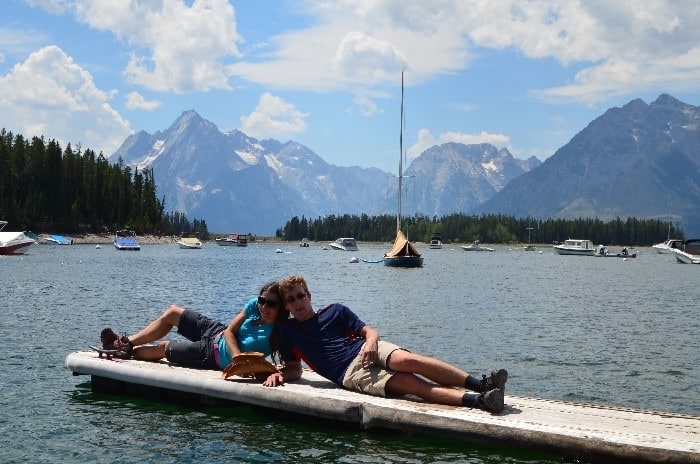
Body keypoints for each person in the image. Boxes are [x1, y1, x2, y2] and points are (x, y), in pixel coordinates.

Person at [262, 275, 508, 413]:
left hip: (365, 348)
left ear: (309, 296)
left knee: (410, 361)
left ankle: (482, 384)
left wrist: (370, 342)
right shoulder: (289, 331)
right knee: (410, 383)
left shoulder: (335, 311)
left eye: (301, 296)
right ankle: (480, 401)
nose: (298, 303)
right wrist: (277, 374)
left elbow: (369, 330)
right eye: (291, 300)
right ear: (286, 306)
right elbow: (294, 368)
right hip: (349, 373)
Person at [100, 281, 289, 370]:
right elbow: (230, 331)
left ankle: (128, 351)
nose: (264, 306)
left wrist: (267, 371)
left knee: (165, 348)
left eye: (271, 304)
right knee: (172, 312)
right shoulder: (253, 307)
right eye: (262, 300)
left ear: (281, 307)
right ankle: (125, 343)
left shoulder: (280, 332)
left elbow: (293, 364)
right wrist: (238, 357)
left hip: (211, 355)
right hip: (218, 331)